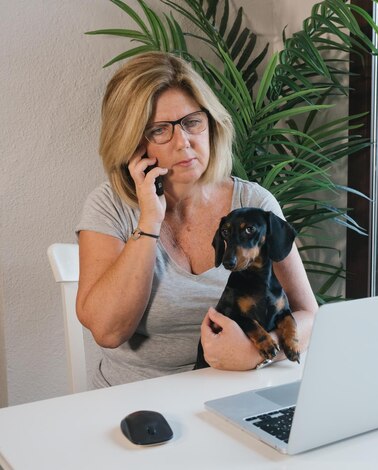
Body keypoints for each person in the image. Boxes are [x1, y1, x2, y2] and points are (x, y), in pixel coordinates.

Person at [76, 52, 318, 388]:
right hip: (136, 404)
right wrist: (149, 220)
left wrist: (257, 354)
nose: (183, 141)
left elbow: (310, 316)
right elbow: (108, 331)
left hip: (235, 393)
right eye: (160, 130)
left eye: (192, 122)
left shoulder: (254, 204)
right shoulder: (109, 206)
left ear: (211, 124)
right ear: (132, 143)